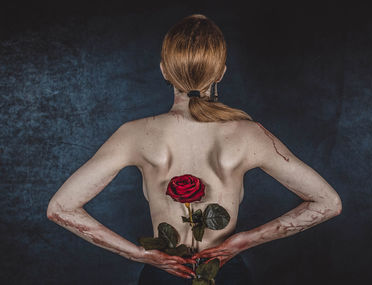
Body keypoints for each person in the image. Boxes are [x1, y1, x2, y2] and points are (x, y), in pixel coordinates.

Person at [46, 14, 342, 285]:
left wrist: (138, 254)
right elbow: (328, 202)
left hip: (162, 278)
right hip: (227, 275)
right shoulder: (250, 135)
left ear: (164, 71)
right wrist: (243, 241)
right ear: (221, 73)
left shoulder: (133, 134)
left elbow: (60, 208)